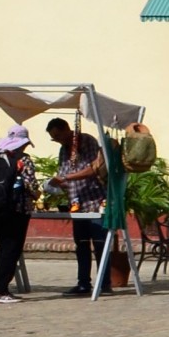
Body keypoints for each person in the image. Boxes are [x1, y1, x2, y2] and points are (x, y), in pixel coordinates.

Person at [47, 117, 110, 296]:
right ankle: (83, 283)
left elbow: (93, 169)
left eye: (59, 136)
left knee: (100, 244)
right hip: (76, 203)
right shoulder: (63, 150)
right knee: (81, 244)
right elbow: (63, 173)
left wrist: (67, 178)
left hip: (95, 200)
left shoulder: (87, 141)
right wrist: (57, 184)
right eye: (54, 138)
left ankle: (104, 283)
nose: (58, 140)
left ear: (67, 129)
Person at [0, 125, 41, 303]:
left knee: (3, 247)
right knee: (11, 249)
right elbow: (31, 186)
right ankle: (0, 290)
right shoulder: (24, 160)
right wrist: (39, 193)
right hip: (16, 210)